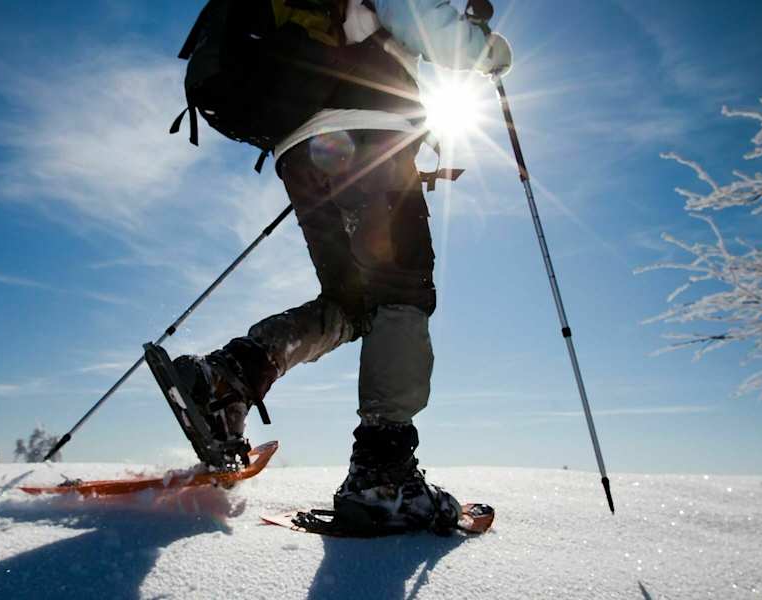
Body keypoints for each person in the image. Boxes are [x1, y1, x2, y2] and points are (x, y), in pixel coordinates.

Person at [171, 0, 511, 534]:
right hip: (365, 133)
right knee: (401, 292)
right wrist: (488, 49)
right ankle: (383, 474)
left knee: (350, 304)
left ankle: (229, 378)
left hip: (299, 148)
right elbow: (420, 20)